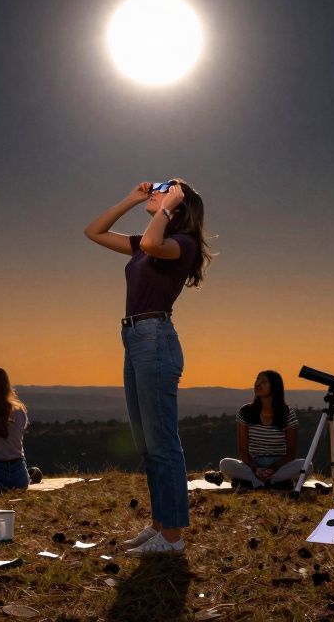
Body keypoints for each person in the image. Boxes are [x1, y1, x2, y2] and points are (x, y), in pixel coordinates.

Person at [85, 178, 213, 556]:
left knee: (163, 444)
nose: (155, 190)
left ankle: (172, 538)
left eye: (165, 187)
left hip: (155, 339)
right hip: (135, 338)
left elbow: (153, 243)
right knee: (147, 444)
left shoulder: (181, 244)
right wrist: (131, 198)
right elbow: (93, 231)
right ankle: (160, 525)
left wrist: (169, 206)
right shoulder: (144, 246)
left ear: (180, 203)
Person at [214, 370, 302, 489]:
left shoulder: (287, 413)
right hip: (253, 464)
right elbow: (243, 450)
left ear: (274, 386)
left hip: (279, 465)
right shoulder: (246, 412)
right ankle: (274, 483)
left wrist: (273, 468)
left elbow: (291, 452)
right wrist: (255, 468)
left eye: (263, 382)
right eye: (257, 380)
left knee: (306, 465)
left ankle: (254, 483)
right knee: (225, 464)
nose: (257, 384)